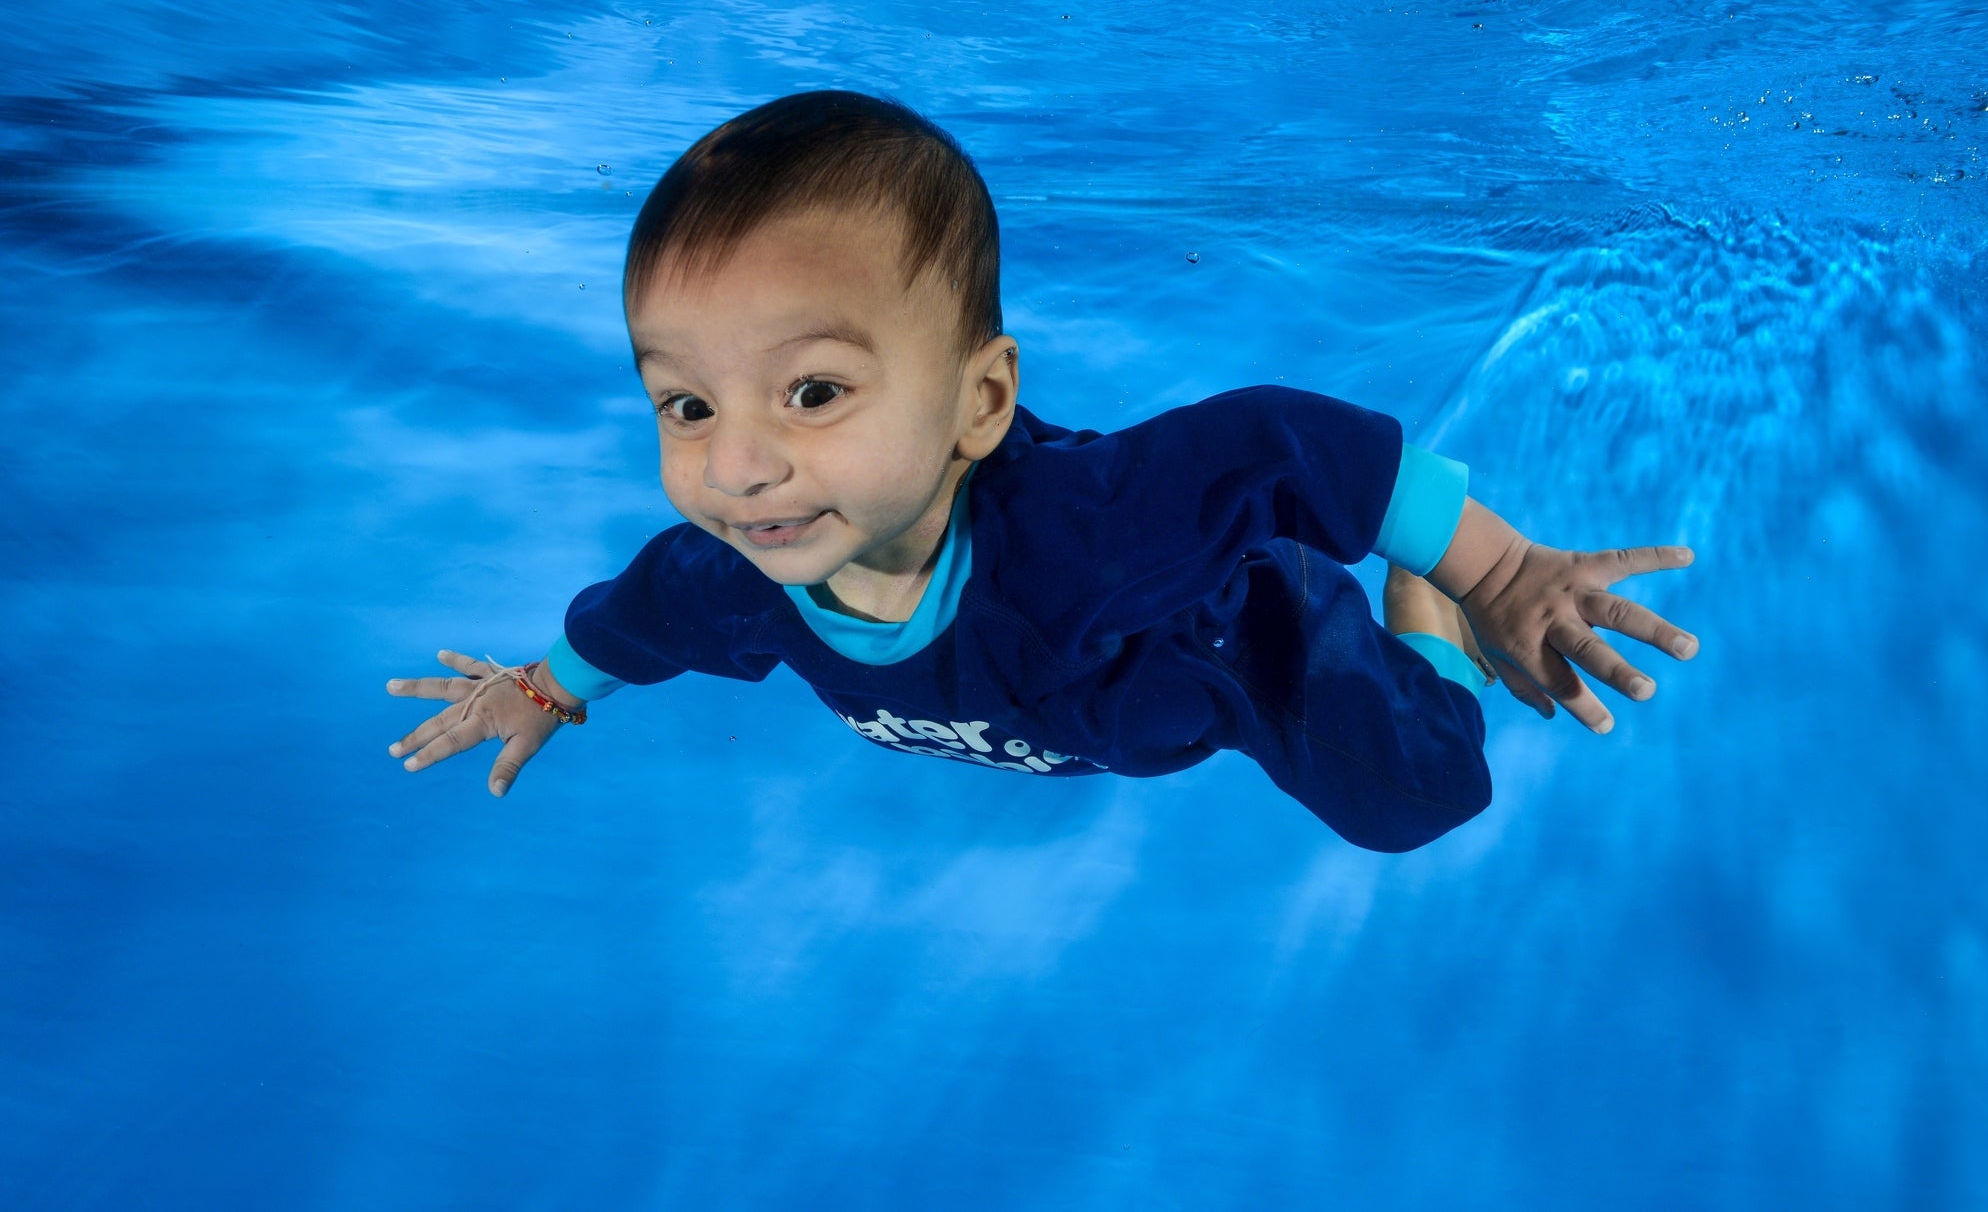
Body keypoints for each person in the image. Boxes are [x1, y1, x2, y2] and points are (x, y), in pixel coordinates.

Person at [385, 91, 1698, 852]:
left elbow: (1282, 439)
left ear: (982, 403)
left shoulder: (1087, 537)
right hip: (1084, 698)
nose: (735, 466)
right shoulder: (731, 577)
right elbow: (633, 621)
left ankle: (1424, 612)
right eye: (686, 403)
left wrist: (1496, 569)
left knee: (1419, 794)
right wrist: (539, 690)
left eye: (814, 391)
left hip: (1223, 637)